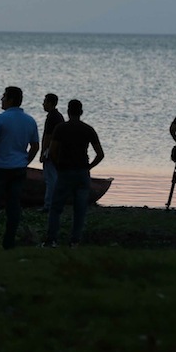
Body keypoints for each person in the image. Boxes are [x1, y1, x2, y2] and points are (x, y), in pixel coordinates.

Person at [0, 86, 40, 250]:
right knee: (14, 206)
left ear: (11, 100)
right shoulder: (30, 121)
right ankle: (9, 242)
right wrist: (25, 161)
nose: (2, 99)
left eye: (4, 97)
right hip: (18, 168)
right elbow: (35, 146)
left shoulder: (0, 119)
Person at [42, 99, 105, 248]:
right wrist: (89, 166)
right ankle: (75, 241)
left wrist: (58, 165)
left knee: (56, 208)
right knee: (80, 209)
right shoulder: (88, 129)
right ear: (81, 112)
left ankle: (51, 240)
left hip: (65, 171)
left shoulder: (61, 128)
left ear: (68, 112)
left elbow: (52, 151)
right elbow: (100, 154)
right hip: (82, 172)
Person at [40, 93, 65, 212]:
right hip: (58, 151)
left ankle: (49, 205)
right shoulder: (58, 116)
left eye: (45, 102)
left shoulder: (51, 117)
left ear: (50, 103)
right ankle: (54, 203)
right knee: (53, 178)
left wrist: (43, 152)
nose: (43, 104)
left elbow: (48, 137)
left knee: (50, 179)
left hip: (51, 151)